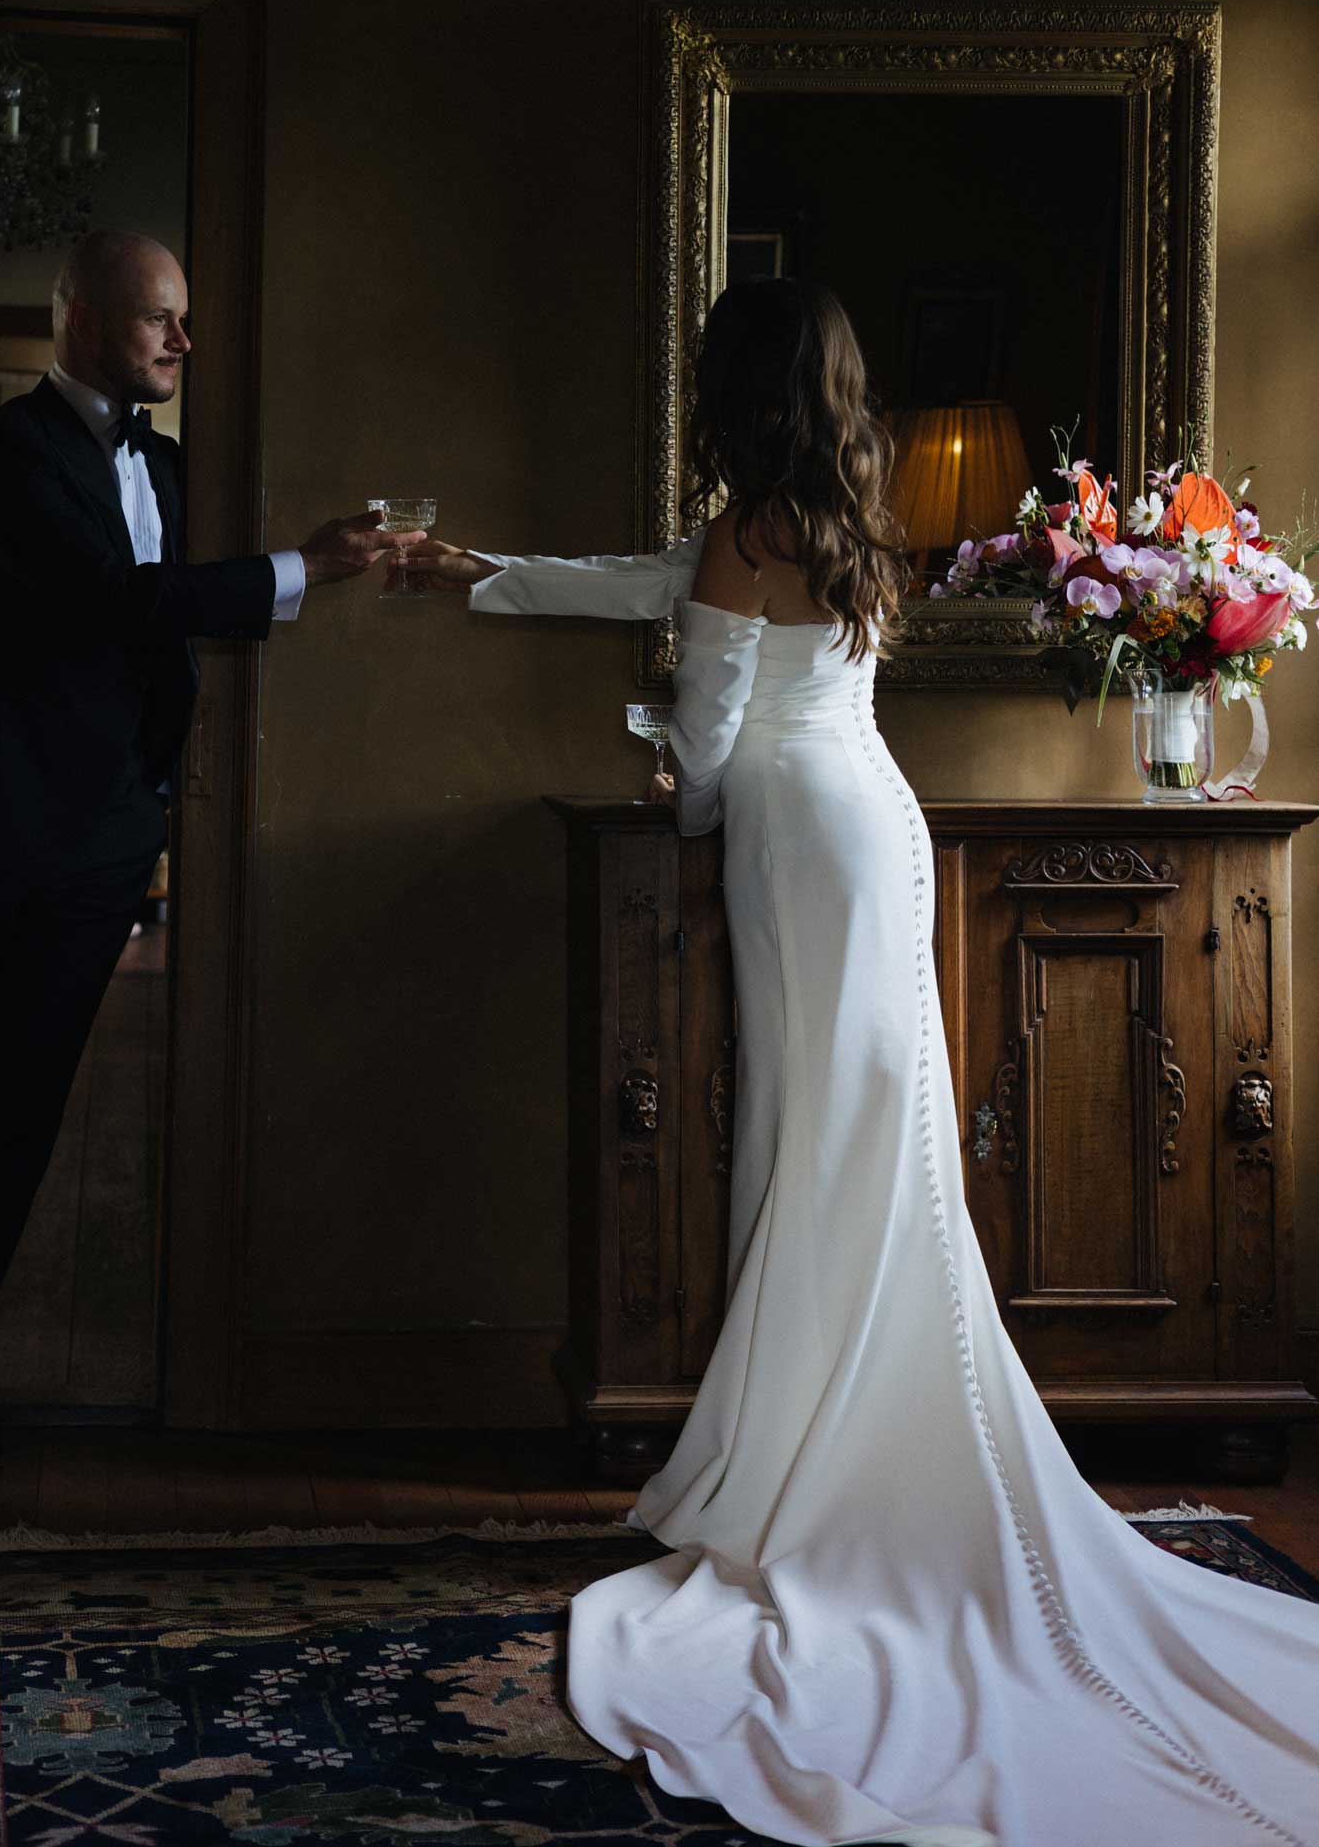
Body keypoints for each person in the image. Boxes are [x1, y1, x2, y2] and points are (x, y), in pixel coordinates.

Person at [406, 275, 1319, 1847]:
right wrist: (474, 572)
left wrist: (680, 795)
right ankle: (850, 1447)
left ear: (734, 391)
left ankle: (816, 1479)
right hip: (873, 830)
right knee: (865, 1149)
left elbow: (698, 743)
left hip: (793, 851)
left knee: (818, 1152)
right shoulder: (831, 525)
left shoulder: (737, 531)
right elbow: (655, 589)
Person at [0, 228, 415, 1467]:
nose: (184, 339)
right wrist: (298, 565)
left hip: (92, 848)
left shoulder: (155, 461)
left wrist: (148, 801)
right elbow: (115, 605)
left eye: (184, 318)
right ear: (85, 320)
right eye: (162, 317)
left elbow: (150, 639)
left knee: (17, 1118)